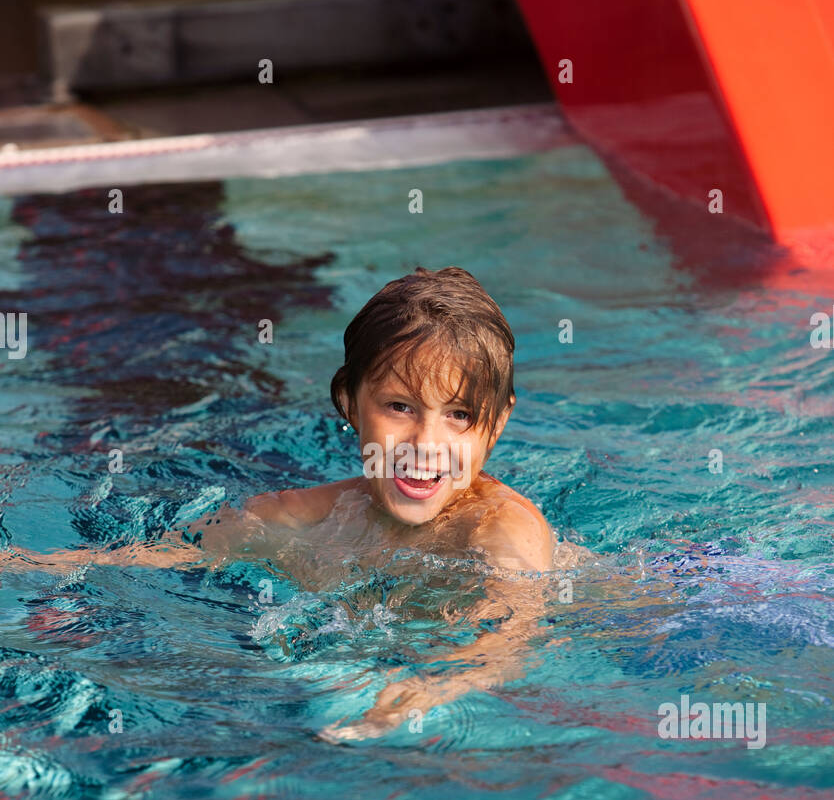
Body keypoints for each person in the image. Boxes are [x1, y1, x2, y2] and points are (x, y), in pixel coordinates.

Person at [2, 266, 586, 737]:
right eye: (400, 407)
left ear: (497, 424)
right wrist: (29, 569)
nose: (426, 445)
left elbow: (514, 634)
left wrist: (438, 688)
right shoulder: (309, 516)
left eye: (458, 416)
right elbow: (158, 556)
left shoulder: (500, 531)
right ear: (350, 403)